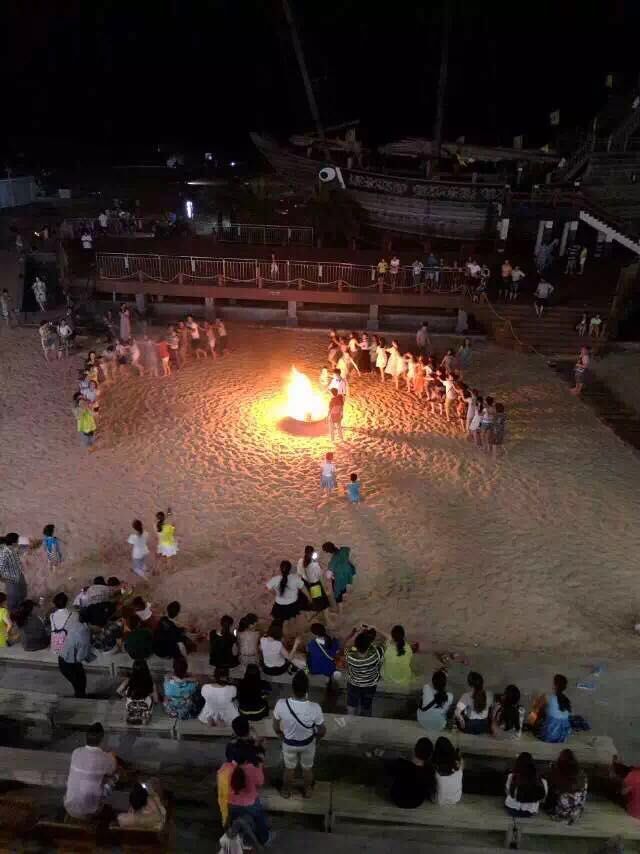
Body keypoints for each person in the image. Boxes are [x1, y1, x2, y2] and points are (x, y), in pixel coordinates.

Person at [273, 671, 326, 798]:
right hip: (307, 744)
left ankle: (286, 791)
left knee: (289, 769)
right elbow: (322, 730)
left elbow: (275, 726)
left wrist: (281, 736)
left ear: (292, 688)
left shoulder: (281, 704)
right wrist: (317, 740)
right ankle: (307, 790)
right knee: (307, 769)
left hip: (289, 743)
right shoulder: (315, 707)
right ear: (307, 689)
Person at [219, 743, 270, 845]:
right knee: (259, 819)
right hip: (251, 803)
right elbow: (260, 783)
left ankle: (235, 835)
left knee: (234, 818)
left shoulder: (224, 768)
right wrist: (259, 767)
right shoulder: (252, 768)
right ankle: (263, 839)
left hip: (231, 803)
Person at [64, 723, 117, 820]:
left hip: (69, 807)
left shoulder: (76, 752)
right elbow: (112, 770)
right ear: (103, 740)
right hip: (91, 811)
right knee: (114, 777)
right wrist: (112, 757)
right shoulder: (105, 758)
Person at [345, 625, 385, 716]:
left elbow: (347, 645)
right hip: (370, 684)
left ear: (356, 645)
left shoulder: (350, 655)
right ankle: (366, 718)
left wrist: (356, 634)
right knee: (367, 705)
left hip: (353, 684)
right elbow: (387, 640)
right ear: (369, 644)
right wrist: (376, 628)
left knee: (351, 704)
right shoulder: (377, 653)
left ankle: (350, 718)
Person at [388, 738, 435, 809]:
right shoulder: (430, 771)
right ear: (429, 755)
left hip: (398, 799)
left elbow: (391, 772)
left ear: (415, 749)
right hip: (417, 802)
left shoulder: (402, 764)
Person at [546, 749, 588, 823]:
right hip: (577, 806)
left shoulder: (559, 774)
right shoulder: (581, 773)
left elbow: (555, 787)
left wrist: (552, 770)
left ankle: (552, 810)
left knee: (551, 789)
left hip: (563, 808)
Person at [505, 752, 548, 817]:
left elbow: (508, 792)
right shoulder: (541, 780)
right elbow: (543, 797)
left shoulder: (512, 776)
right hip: (530, 812)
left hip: (512, 809)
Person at [532, 674, 572, 743]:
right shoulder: (566, 700)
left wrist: (535, 700)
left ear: (554, 685)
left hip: (549, 736)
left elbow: (535, 708)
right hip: (563, 736)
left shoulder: (547, 696)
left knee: (537, 712)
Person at [117, 660, 157, 725]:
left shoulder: (129, 680)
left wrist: (126, 696)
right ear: (146, 670)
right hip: (144, 707)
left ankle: (134, 715)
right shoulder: (151, 682)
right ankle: (143, 717)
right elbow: (156, 700)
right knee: (150, 699)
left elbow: (118, 691)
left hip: (132, 706)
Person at [322, 541, 356, 605]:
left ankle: (340, 610)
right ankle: (344, 601)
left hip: (338, 580)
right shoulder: (343, 551)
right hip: (345, 576)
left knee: (338, 597)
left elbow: (328, 576)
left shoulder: (333, 560)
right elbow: (349, 560)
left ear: (328, 551)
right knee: (343, 591)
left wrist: (326, 573)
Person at [0, 534, 28, 610]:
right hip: (11, 580)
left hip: (18, 575)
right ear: (14, 543)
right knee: (13, 600)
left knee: (22, 594)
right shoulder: (4, 553)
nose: (18, 542)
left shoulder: (12, 549)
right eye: (17, 541)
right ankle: (14, 613)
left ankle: (20, 608)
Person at [433, 736, 463, 805]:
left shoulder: (436, 772)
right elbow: (460, 760)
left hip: (439, 800)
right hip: (456, 798)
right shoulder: (459, 766)